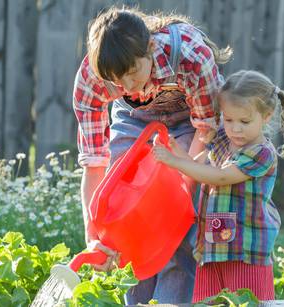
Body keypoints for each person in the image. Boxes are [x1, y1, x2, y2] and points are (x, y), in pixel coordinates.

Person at [72, 6, 231, 304]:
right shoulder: (91, 81)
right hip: (133, 118)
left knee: (180, 226)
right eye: (118, 81)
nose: (129, 86)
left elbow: (206, 129)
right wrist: (93, 234)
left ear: (151, 49)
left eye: (133, 73)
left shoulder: (190, 56)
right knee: (122, 214)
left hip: (190, 121)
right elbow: (95, 166)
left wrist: (181, 188)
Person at [153, 70, 284, 302]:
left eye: (244, 121)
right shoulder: (223, 142)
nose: (235, 129)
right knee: (208, 302)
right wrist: (175, 151)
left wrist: (174, 161)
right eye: (228, 120)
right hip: (213, 249)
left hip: (244, 253)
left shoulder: (261, 153)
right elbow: (198, 166)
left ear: (266, 116)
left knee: (245, 302)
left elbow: (220, 177)